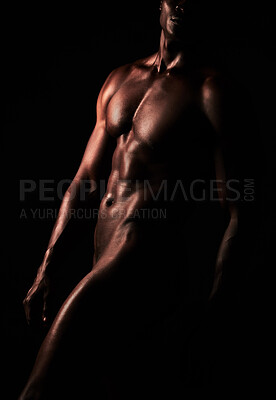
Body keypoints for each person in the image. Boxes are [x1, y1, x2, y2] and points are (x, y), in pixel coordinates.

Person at [19, 1, 258, 398]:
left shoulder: (211, 91)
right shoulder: (120, 79)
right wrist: (48, 265)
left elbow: (241, 212)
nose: (183, 2)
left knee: (42, 385)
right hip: (104, 257)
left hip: (146, 258)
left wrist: (217, 315)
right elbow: (85, 180)